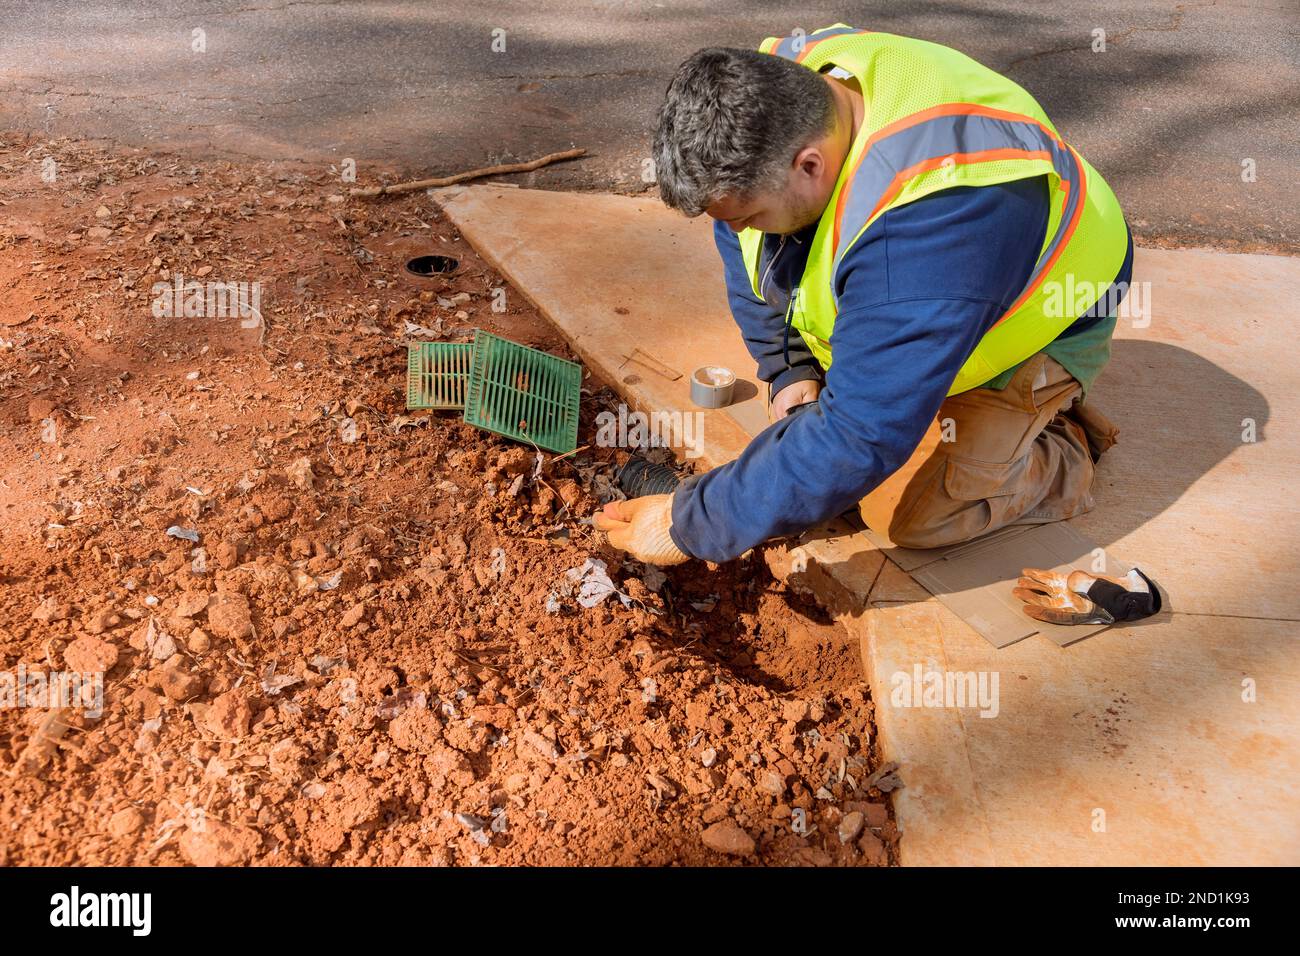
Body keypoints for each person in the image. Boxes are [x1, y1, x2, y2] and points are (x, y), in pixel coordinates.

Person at [597, 25, 1132, 571]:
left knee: (908, 513)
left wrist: (687, 524)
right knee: (830, 453)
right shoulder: (786, 90)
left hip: (1052, 307)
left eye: (749, 215)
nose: (740, 232)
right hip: (942, 283)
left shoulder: (930, 229)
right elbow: (745, 245)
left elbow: (862, 434)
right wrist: (791, 370)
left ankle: (1062, 442)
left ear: (808, 165)